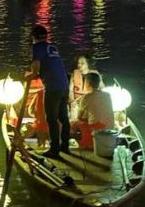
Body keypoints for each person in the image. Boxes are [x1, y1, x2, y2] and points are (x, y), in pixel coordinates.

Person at [28, 25, 70, 158]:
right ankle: (65, 146)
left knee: (51, 119)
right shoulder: (52, 47)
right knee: (64, 118)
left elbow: (36, 64)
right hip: (64, 85)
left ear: (33, 37)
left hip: (53, 87)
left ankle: (54, 150)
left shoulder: (37, 47)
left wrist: (32, 74)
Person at [72, 72, 114, 150]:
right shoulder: (107, 95)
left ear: (87, 83)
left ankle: (85, 143)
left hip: (98, 128)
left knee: (73, 124)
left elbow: (79, 117)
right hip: (110, 127)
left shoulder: (87, 97)